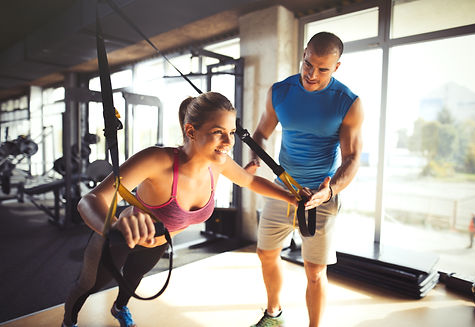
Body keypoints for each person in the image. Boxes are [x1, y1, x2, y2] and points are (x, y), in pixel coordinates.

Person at [61, 92, 299, 327]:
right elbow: (90, 199)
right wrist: (112, 226)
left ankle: (119, 308)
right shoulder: (157, 160)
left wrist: (292, 198)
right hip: (119, 238)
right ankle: (68, 323)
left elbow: (250, 181)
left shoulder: (218, 164)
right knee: (87, 286)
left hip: (157, 243)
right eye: (218, 132)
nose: (229, 142)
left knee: (132, 279)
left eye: (231, 133)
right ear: (190, 131)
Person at [246, 32, 364, 327]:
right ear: (304, 55)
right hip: (281, 189)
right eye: (308, 64)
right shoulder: (280, 92)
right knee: (265, 253)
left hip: (320, 196)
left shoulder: (347, 102)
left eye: (323, 69)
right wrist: (255, 157)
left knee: (314, 271)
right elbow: (261, 132)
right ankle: (274, 314)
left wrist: (331, 190)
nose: (312, 74)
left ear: (336, 67)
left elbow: (352, 158)